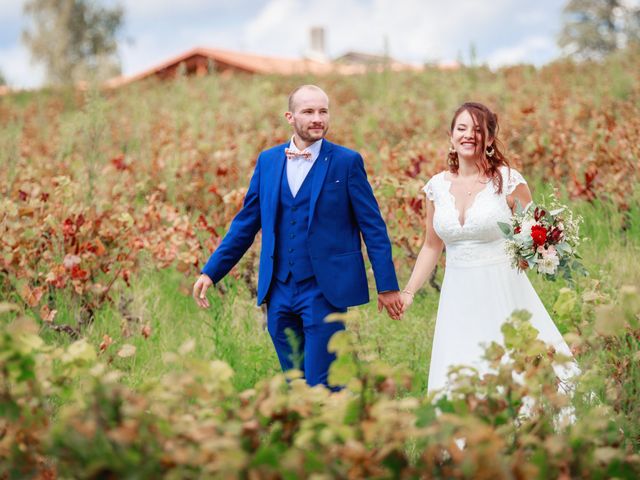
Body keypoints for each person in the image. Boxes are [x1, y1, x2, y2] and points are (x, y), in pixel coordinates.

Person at [192, 85, 402, 389]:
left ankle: (337, 430)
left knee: (323, 382)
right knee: (295, 382)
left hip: (324, 289)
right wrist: (211, 271)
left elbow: (373, 227)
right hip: (278, 290)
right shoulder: (268, 161)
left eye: (323, 111)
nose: (318, 118)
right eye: (309, 111)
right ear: (290, 117)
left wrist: (387, 286)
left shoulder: (346, 162)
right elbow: (246, 223)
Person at [400, 102, 578, 394]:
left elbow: (534, 233)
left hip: (501, 288)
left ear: (490, 139)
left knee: (514, 361)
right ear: (451, 135)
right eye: (462, 128)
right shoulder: (436, 187)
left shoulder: (508, 181)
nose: (469, 135)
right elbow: (432, 246)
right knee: (462, 363)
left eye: (478, 129)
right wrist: (409, 292)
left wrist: (533, 256)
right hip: (457, 293)